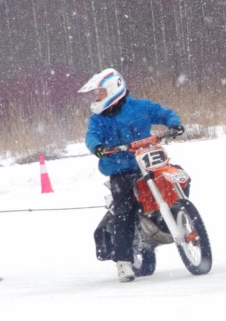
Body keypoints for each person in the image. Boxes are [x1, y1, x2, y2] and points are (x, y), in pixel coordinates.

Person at [79, 68, 184, 282]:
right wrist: (98, 147)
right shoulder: (98, 119)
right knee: (124, 212)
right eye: (96, 93)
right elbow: (91, 136)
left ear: (113, 89)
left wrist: (174, 124)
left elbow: (163, 112)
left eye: (100, 92)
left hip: (147, 163)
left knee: (177, 176)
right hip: (119, 169)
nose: (96, 96)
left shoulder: (140, 107)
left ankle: (181, 215)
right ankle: (124, 262)